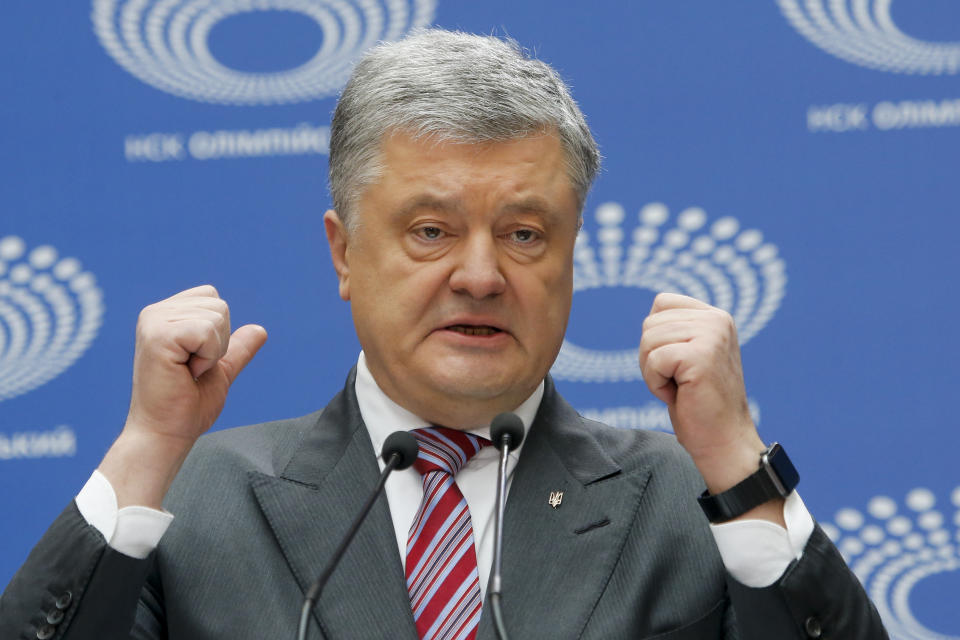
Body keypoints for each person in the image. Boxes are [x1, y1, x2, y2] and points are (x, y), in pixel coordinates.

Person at [0, 29, 886, 639]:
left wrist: (738, 467)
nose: (481, 274)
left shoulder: (688, 499)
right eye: (430, 231)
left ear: (573, 251)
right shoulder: (199, 501)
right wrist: (147, 448)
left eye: (525, 233)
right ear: (344, 253)